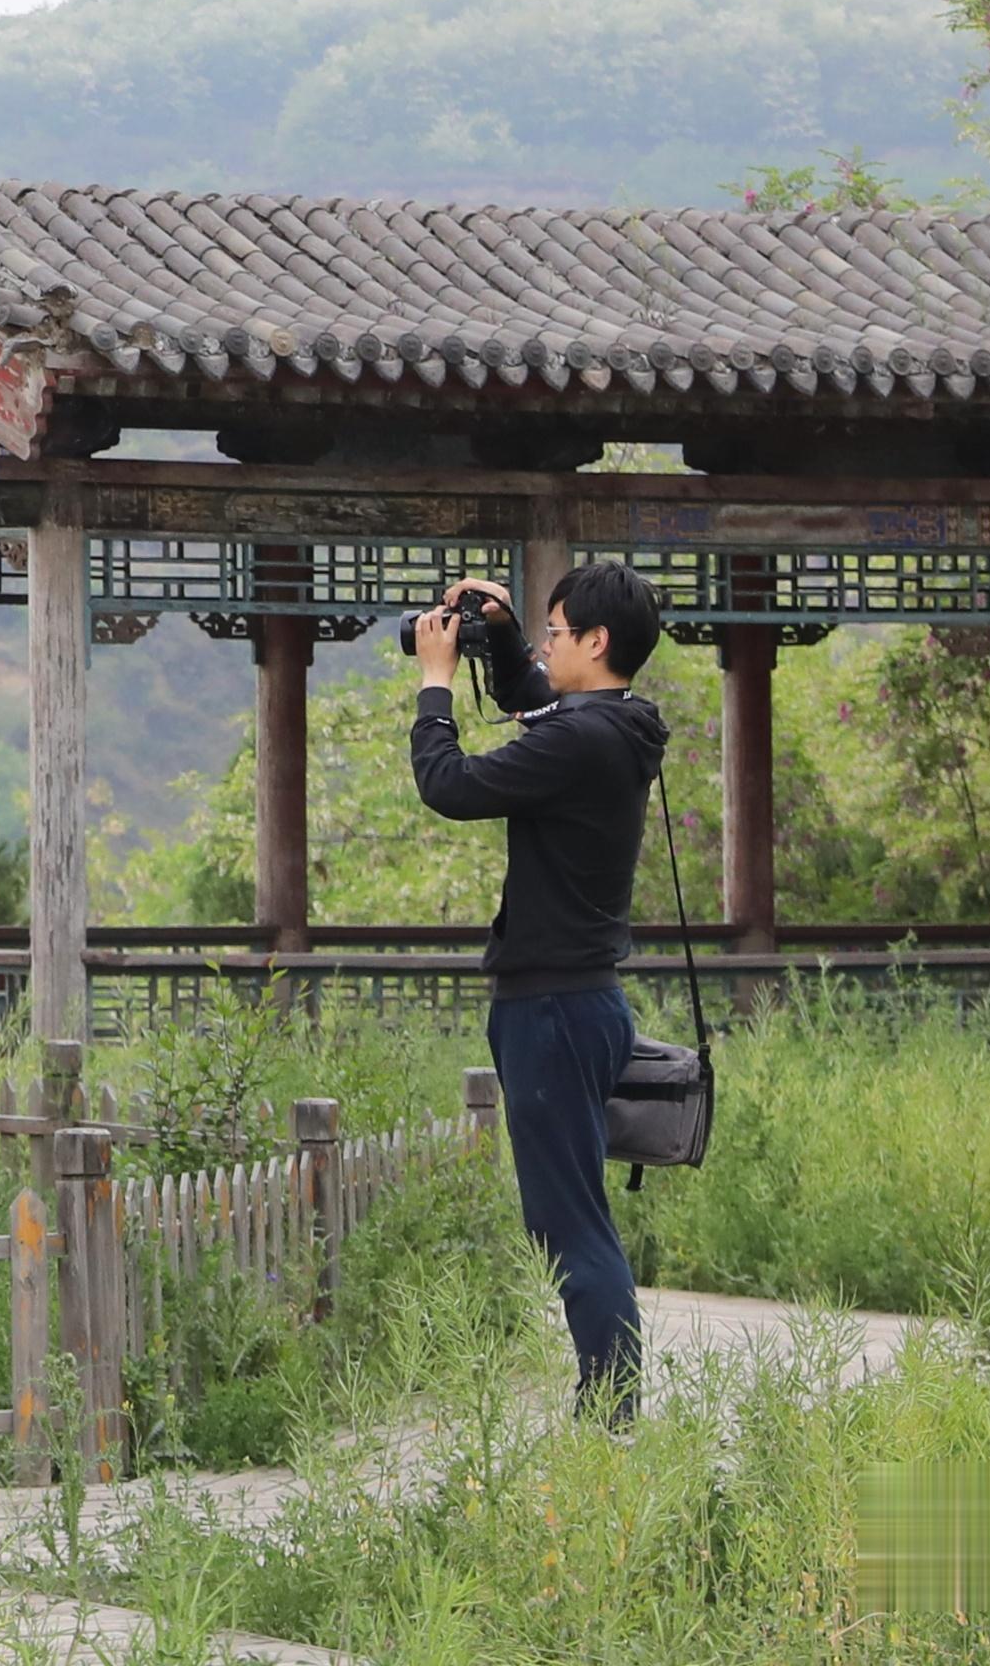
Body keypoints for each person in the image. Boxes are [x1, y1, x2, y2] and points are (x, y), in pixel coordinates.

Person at [406, 558, 672, 1420]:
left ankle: (609, 1416)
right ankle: (609, 1403)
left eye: (556, 634)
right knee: (572, 1214)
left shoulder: (577, 741)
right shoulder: (616, 724)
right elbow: (540, 701)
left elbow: (448, 786)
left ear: (595, 641)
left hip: (551, 1009)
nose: (547, 647)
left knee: (569, 1225)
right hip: (579, 1000)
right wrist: (506, 637)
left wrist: (436, 683)